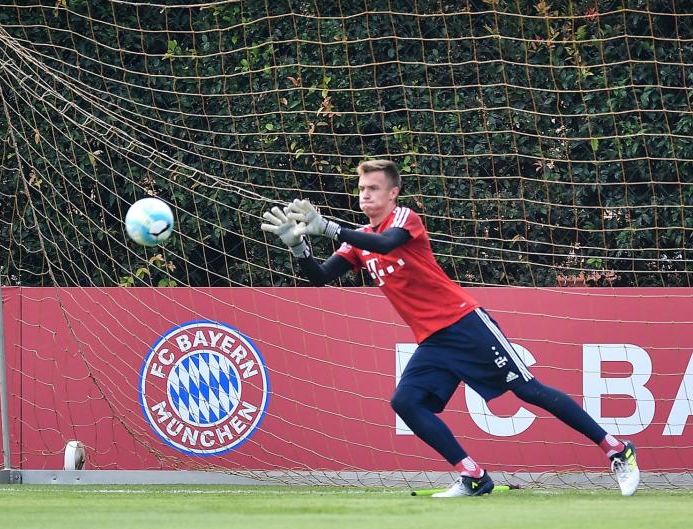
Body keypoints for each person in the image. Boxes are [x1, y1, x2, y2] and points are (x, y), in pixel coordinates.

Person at [261, 159, 640, 497]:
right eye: (361, 189)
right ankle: (472, 476)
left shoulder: (403, 219)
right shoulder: (359, 241)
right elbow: (321, 277)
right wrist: (298, 248)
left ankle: (617, 449)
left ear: (393, 193)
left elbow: (388, 244)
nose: (365, 195)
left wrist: (328, 227)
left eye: (373, 188)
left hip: (464, 323)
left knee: (528, 390)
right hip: (432, 341)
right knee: (405, 402)